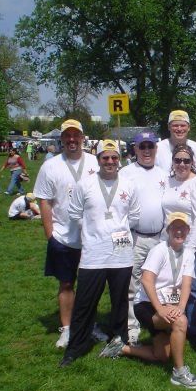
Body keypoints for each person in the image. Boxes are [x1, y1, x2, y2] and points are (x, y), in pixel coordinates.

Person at [60, 139, 140, 367]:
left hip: (121, 254)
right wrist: (93, 231)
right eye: (105, 157)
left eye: (114, 157)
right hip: (93, 255)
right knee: (85, 303)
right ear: (98, 160)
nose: (110, 161)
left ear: (119, 159)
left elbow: (134, 216)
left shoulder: (128, 185)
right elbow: (74, 213)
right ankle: (76, 346)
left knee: (120, 302)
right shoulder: (85, 185)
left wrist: (116, 230)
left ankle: (119, 340)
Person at [34, 119, 100, 349]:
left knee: (91, 286)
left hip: (93, 236)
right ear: (61, 139)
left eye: (76, 135)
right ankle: (67, 328)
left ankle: (89, 325)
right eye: (67, 136)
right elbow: (44, 201)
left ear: (83, 137)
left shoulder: (95, 161)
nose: (72, 140)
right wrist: (50, 235)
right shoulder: (50, 166)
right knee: (66, 284)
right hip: (64, 236)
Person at [118, 212, 196, 388]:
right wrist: (160, 309)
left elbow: (187, 284)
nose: (179, 232)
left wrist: (180, 307)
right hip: (147, 305)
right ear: (168, 230)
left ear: (188, 231)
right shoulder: (158, 251)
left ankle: (121, 348)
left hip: (169, 304)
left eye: (182, 228)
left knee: (162, 356)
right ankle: (179, 373)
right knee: (181, 322)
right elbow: (146, 280)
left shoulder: (189, 254)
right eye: (175, 228)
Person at [119, 131, 168, 344]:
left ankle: (156, 318)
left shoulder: (163, 173)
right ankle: (131, 325)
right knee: (132, 281)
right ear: (135, 149)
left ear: (156, 148)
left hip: (160, 237)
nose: (147, 151)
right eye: (142, 147)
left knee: (157, 280)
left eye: (150, 146)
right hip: (136, 236)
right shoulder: (126, 173)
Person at [161, 144, 196, 343]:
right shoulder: (168, 181)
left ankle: (193, 329)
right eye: (178, 160)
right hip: (172, 242)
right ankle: (174, 322)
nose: (182, 164)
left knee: (193, 286)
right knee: (174, 283)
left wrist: (190, 248)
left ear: (192, 163)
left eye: (186, 160)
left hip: (193, 243)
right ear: (172, 162)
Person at [155, 110, 196, 175]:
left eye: (183, 125)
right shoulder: (157, 149)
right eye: (175, 125)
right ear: (168, 127)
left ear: (189, 127)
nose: (179, 129)